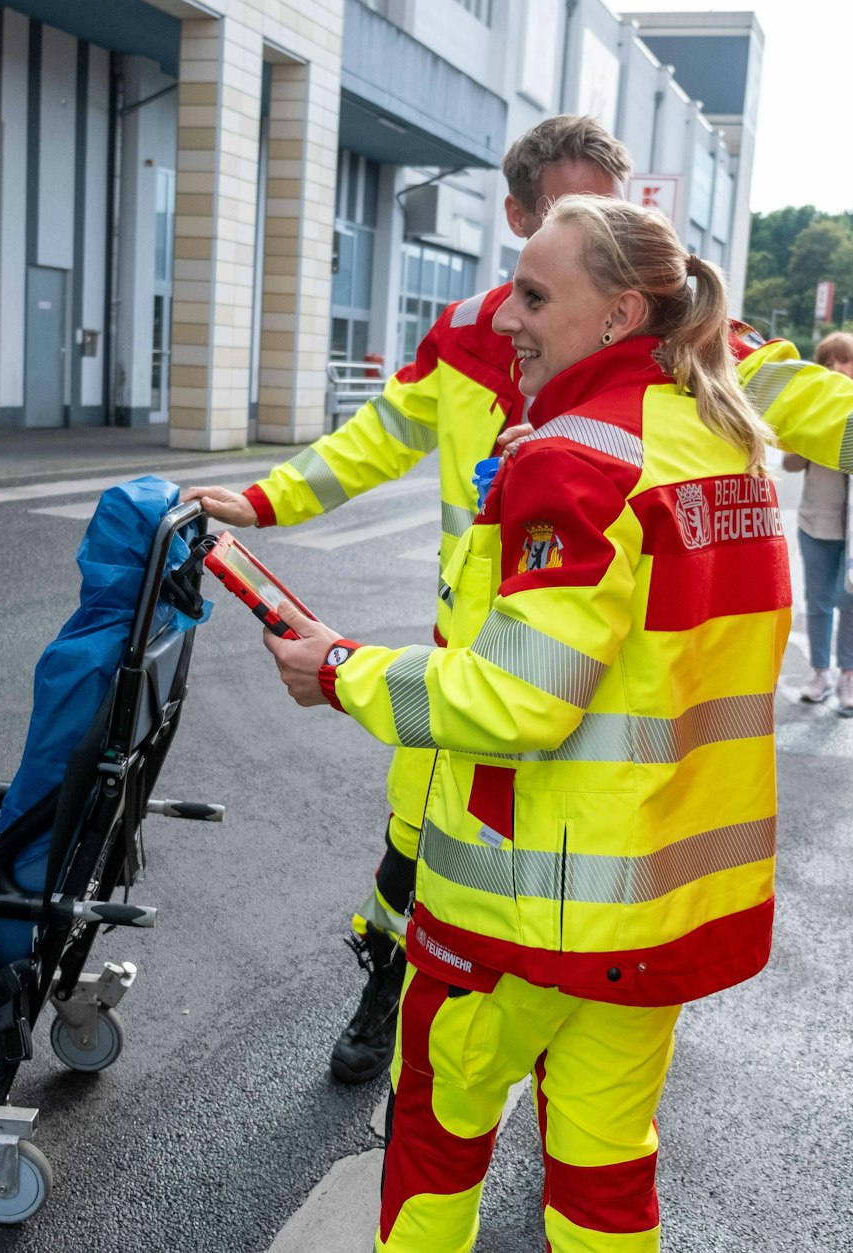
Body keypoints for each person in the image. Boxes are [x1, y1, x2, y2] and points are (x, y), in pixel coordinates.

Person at [261, 197, 853, 1250]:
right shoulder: (725, 444)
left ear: (620, 310)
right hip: (658, 909)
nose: (508, 320)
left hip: (515, 910)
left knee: (436, 1148)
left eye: (535, 295)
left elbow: (518, 699)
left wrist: (344, 669)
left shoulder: (574, 457)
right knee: (604, 1176)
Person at [180, 116, 636, 1085]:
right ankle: (385, 986)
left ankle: (564, 1043)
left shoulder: (665, 328)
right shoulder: (470, 333)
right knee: (416, 849)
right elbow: (373, 438)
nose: (592, 229)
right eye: (566, 209)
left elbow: (803, 396)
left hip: (596, 689)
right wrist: (262, 498)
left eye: (610, 206)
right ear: (516, 217)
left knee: (578, 882)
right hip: (464, 678)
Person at [783, 331, 853, 716]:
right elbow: (790, 464)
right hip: (816, 521)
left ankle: (848, 678)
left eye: (844, 361)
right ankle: (820, 674)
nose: (836, 369)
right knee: (819, 603)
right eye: (828, 362)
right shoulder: (812, 406)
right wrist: (809, 426)